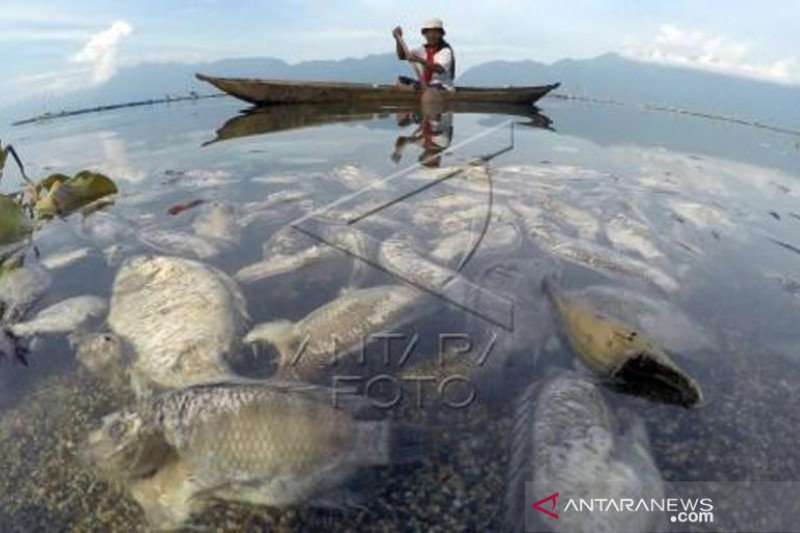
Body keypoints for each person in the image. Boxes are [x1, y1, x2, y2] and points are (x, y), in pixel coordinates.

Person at [392, 18, 456, 91]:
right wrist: (398, 39)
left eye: (435, 33)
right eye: (428, 33)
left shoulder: (445, 51)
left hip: (442, 87)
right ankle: (416, 90)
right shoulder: (422, 49)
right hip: (425, 84)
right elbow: (402, 56)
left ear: (441, 34)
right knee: (400, 81)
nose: (432, 36)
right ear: (425, 35)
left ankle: (417, 90)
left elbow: (439, 69)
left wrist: (419, 60)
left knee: (431, 89)